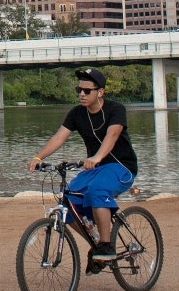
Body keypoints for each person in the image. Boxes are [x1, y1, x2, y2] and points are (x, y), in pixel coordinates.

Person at [27, 67, 139, 271]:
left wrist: (97, 157)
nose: (82, 94)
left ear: (100, 92)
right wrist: (38, 157)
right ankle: (95, 242)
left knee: (98, 189)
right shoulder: (77, 114)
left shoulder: (116, 109)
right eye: (79, 90)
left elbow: (112, 135)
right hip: (94, 168)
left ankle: (106, 246)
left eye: (87, 91)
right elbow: (59, 137)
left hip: (120, 167)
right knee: (68, 198)